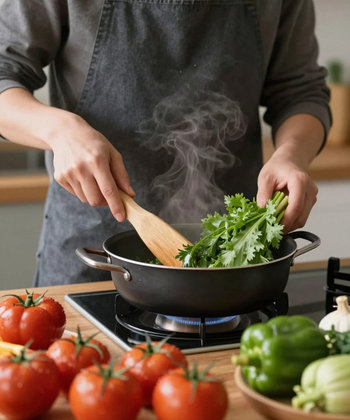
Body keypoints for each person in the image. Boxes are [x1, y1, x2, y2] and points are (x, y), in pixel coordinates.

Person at [0, 0, 331, 286]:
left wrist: (292, 155)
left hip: (232, 263)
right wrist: (59, 130)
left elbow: (300, 92)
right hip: (93, 253)